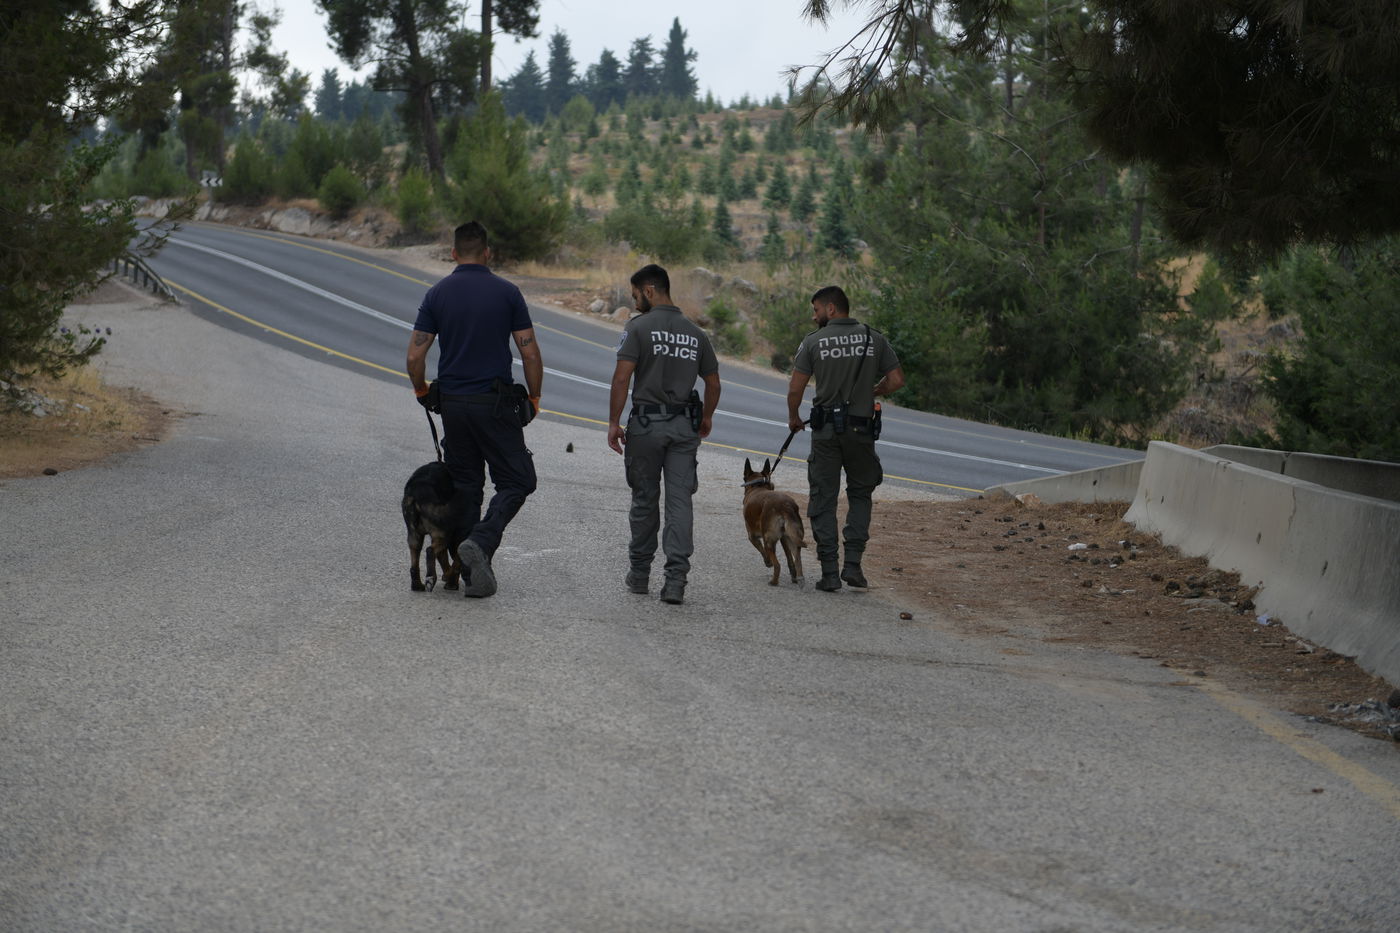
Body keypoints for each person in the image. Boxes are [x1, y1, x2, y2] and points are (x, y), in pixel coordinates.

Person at [406, 221, 543, 599]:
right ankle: (480, 544)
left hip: (453, 405)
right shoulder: (508, 293)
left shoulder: (437, 294)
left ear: (453, 253)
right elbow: (529, 352)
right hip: (494, 404)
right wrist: (534, 397)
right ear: (487, 253)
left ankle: (467, 572)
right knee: (518, 481)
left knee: (467, 486)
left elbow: (416, 354)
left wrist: (422, 390)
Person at [607, 264, 721, 606]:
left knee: (644, 500)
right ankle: (675, 582)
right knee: (679, 503)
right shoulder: (696, 334)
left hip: (646, 427)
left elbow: (622, 378)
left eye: (636, 293)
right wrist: (706, 417)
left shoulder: (639, 327)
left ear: (650, 290)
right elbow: (713, 383)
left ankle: (640, 576)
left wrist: (614, 422)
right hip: (684, 428)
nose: (635, 300)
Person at [786, 285, 904, 592]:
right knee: (860, 494)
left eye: (816, 310)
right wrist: (876, 390)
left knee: (823, 499)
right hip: (861, 431)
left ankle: (828, 573)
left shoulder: (814, 342)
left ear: (832, 309)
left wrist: (794, 417)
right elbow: (896, 380)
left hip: (826, 432)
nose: (814, 317)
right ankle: (853, 566)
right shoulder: (873, 338)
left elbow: (796, 388)